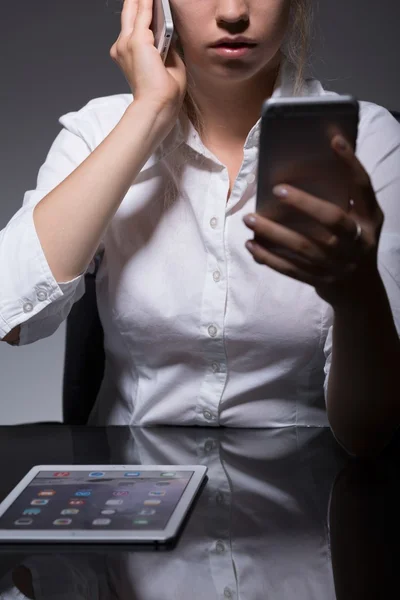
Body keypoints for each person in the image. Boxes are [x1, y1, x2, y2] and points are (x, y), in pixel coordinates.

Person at [1, 0, 400, 458]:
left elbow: (370, 434)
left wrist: (356, 295)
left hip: (306, 498)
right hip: (130, 494)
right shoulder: (99, 131)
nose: (232, 11)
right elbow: (11, 318)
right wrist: (149, 113)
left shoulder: (367, 140)